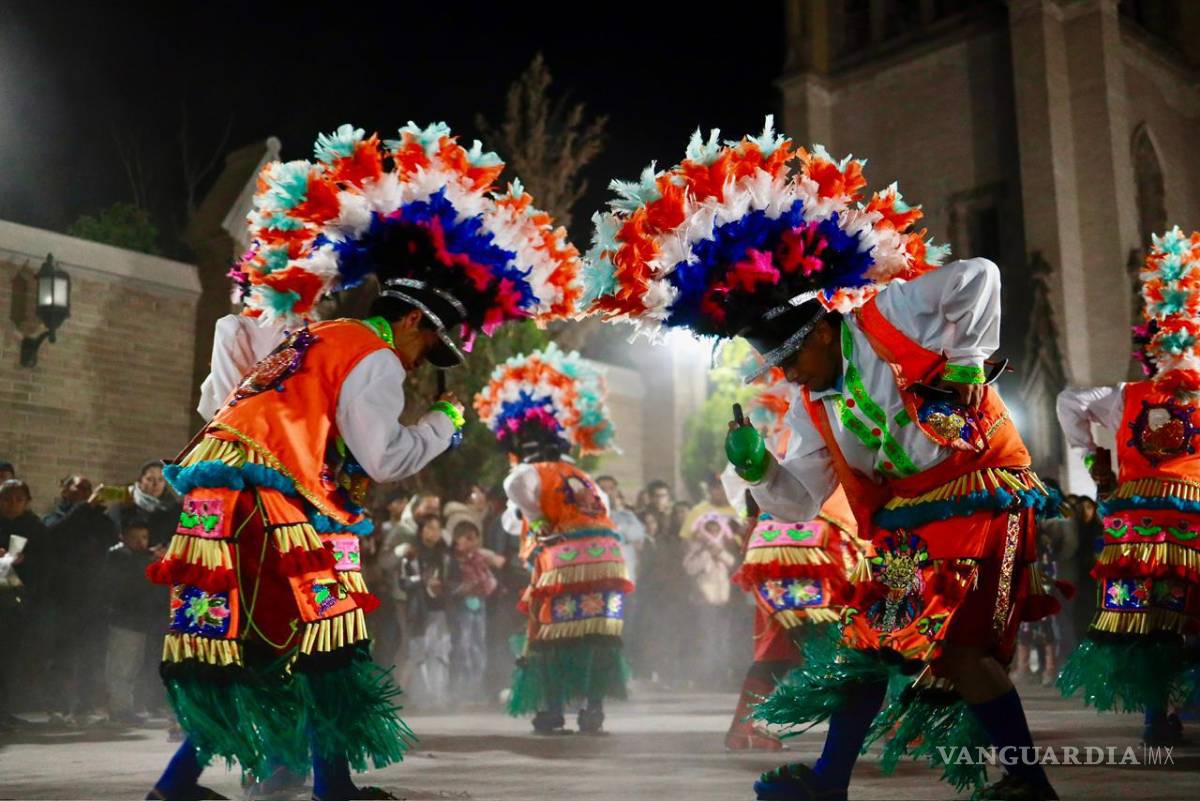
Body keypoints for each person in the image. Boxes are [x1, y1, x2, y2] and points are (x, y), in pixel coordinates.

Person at [585, 122, 1061, 800]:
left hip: (981, 495)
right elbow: (799, 501)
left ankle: (1014, 783)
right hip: (909, 523)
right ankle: (837, 782)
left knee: (951, 650)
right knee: (876, 645)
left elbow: (979, 278)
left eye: (788, 359)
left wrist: (961, 367)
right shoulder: (818, 408)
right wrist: (755, 471)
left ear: (818, 330)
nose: (789, 376)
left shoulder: (887, 314)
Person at [143, 122, 582, 801]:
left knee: (259, 644)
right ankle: (326, 787)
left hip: (220, 490)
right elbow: (382, 456)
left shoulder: (318, 335)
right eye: (427, 344)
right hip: (270, 495)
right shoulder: (370, 352)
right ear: (410, 322)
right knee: (328, 631)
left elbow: (256, 412)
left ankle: (206, 784)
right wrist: (444, 423)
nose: (418, 361)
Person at [1055, 226, 1200, 747]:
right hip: (1193, 524)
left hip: (1136, 530)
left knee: (1145, 623)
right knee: (1187, 620)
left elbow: (1069, 401)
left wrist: (1095, 457)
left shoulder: (1126, 394)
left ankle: (1155, 717)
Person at [474, 344, 632, 734]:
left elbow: (518, 508)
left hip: (564, 564)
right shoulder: (586, 478)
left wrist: (533, 516)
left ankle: (553, 710)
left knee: (550, 634)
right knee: (596, 634)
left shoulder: (529, 473)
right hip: (610, 562)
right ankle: (593, 710)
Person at [38, 475, 118, 724]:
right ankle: (57, 707)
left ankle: (84, 707)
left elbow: (112, 539)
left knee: (91, 655)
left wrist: (102, 511)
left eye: (87, 487)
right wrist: (85, 509)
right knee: (62, 655)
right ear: (63, 489)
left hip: (94, 598)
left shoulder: (98, 519)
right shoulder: (55, 516)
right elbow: (54, 535)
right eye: (77, 486)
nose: (84, 491)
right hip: (63, 598)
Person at [103, 513, 159, 725]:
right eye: (134, 537)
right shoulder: (118, 555)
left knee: (132, 666)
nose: (140, 542)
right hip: (124, 620)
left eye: (144, 537)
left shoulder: (142, 557)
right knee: (121, 667)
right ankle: (119, 710)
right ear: (122, 537)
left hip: (140, 620)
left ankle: (125, 707)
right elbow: (130, 582)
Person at [0, 478, 43, 728]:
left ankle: (5, 711)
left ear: (27, 502)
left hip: (17, 602)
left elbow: (47, 562)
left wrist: (25, 560)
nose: (12, 505)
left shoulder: (34, 527)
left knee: (10, 660)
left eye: (19, 500)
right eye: (6, 499)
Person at [446, 512, 501, 702]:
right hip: (462, 606)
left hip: (479, 604)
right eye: (467, 538)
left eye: (475, 538)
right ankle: (461, 692)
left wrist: (484, 586)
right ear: (456, 539)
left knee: (478, 647)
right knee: (463, 647)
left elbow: (490, 579)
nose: (472, 543)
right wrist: (464, 588)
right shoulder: (451, 559)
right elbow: (449, 584)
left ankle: (475, 691)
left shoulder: (479, 558)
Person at [400, 515, 453, 710]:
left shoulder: (445, 556)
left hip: (441, 610)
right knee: (419, 654)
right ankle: (420, 699)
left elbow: (452, 581)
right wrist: (422, 581)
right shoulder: (411, 554)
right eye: (429, 528)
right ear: (421, 530)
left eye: (437, 528)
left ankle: (440, 697)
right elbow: (403, 582)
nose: (434, 532)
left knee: (441, 654)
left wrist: (444, 587)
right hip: (420, 610)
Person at [107, 460, 182, 550]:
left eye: (160, 480)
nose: (155, 484)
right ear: (140, 481)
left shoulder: (174, 510)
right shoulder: (124, 507)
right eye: (150, 479)